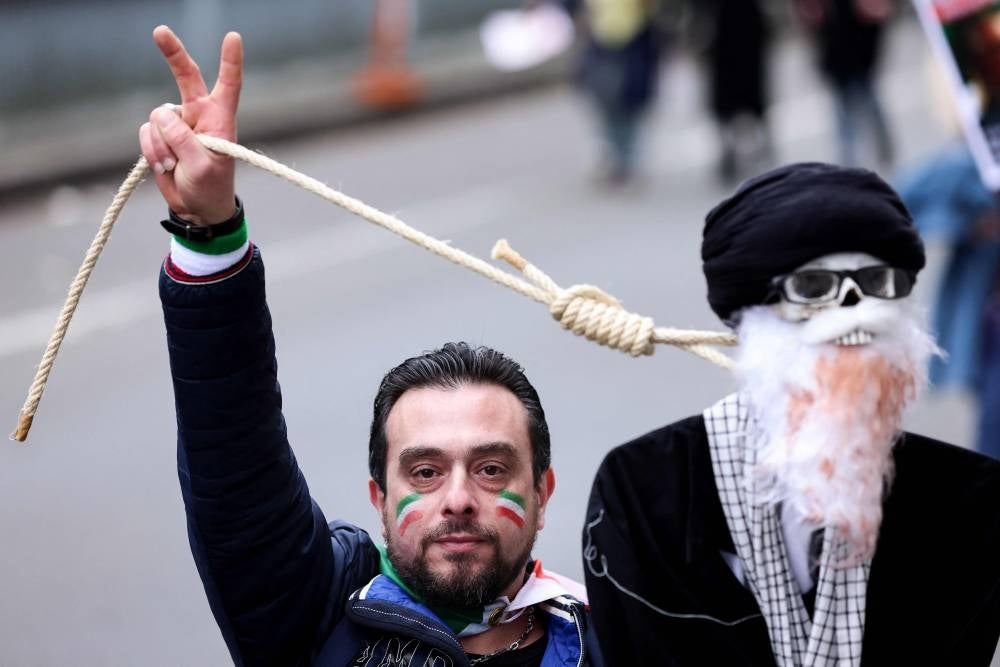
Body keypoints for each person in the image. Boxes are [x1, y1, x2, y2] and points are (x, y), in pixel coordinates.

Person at [140, 26, 597, 666]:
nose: (459, 498)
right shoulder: (318, 613)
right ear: (379, 496)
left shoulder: (614, 636)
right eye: (425, 471)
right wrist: (208, 233)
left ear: (542, 493)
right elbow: (235, 457)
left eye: (492, 468)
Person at [582, 162, 1000, 664]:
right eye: (813, 288)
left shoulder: (971, 499)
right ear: (751, 319)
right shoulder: (644, 488)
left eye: (876, 281)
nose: (853, 308)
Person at [560, 0, 665, 185]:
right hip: (599, 41)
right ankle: (617, 158)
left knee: (628, 104)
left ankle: (625, 161)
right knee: (605, 101)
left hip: (633, 42)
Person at [794, 0, 895, 168]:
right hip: (834, 38)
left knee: (865, 94)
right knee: (845, 102)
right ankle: (851, 154)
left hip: (854, 36)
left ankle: (877, 147)